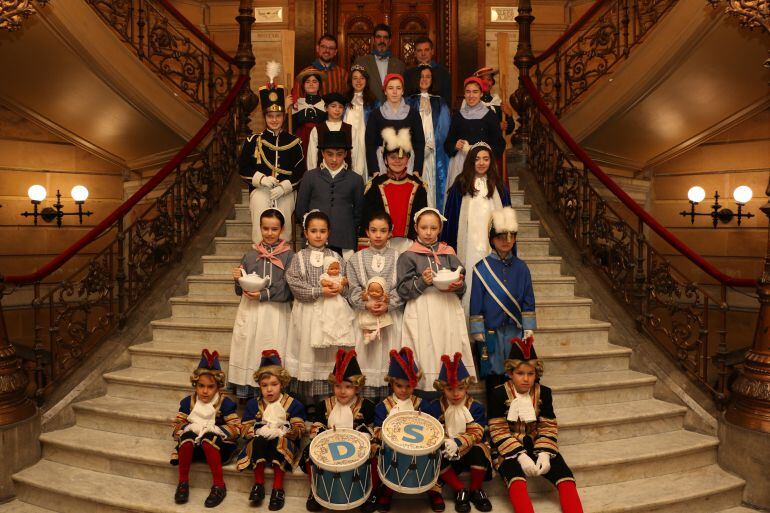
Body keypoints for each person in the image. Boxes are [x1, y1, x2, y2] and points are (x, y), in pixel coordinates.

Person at [487, 338, 584, 513]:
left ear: (536, 373)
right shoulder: (498, 393)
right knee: (516, 480)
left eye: (530, 374)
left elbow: (548, 425)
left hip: (537, 441)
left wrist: (545, 453)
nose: (526, 379)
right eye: (520, 373)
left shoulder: (544, 392)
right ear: (510, 373)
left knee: (565, 477)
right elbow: (497, 429)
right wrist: (520, 456)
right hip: (507, 447)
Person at [396, 207, 476, 385]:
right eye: (424, 228)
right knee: (424, 346)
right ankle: (426, 387)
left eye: (433, 228)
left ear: (439, 229)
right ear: (416, 228)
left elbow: (462, 283)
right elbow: (402, 290)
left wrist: (458, 285)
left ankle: (452, 384)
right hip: (422, 308)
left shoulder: (448, 253)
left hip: (447, 307)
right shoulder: (408, 255)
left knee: (449, 343)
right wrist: (422, 281)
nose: (428, 232)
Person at [228, 209, 294, 399]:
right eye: (265, 228)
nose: (269, 233)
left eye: (274, 229)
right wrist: (238, 279)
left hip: (275, 311)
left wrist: (264, 294)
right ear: (260, 228)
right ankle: (249, 391)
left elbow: (288, 287)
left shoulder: (289, 256)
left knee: (272, 342)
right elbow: (240, 289)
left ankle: (274, 391)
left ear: (281, 229)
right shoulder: (250, 255)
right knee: (249, 345)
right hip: (251, 310)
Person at [470, 207, 535, 398]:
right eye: (500, 236)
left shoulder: (522, 268)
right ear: (491, 239)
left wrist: (529, 327)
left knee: (518, 375)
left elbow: (528, 299)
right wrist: (477, 331)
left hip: (515, 331)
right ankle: (496, 420)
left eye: (510, 236)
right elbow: (476, 303)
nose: (506, 241)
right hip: (492, 333)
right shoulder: (481, 269)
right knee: (494, 377)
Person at [302, 349, 376, 512]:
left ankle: (369, 490)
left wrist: (365, 434)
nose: (342, 391)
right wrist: (319, 433)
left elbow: (372, 429)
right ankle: (315, 488)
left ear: (357, 388)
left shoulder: (367, 406)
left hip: (357, 448)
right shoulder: (324, 405)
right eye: (338, 386)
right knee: (309, 452)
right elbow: (316, 426)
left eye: (348, 387)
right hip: (330, 448)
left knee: (375, 451)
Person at [442, 143, 511, 314]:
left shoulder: (499, 187)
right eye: (477, 159)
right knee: (471, 281)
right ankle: (469, 328)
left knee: (491, 283)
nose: (481, 163)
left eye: (485, 159)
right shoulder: (461, 184)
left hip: (490, 246)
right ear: (470, 161)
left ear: (491, 161)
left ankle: (489, 328)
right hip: (468, 245)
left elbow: (508, 223)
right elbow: (450, 221)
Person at [284, 210, 345, 406]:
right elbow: (294, 283)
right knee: (307, 352)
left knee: (327, 355)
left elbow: (344, 281)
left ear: (329, 233)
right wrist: (319, 291)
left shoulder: (335, 256)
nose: (318, 235)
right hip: (307, 313)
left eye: (322, 231)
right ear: (305, 232)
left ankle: (326, 401)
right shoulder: (299, 257)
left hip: (330, 313)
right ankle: (306, 401)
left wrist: (340, 286)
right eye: (313, 231)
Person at [239, 62, 304, 243]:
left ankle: (282, 258)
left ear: (284, 117)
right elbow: (243, 168)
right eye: (270, 116)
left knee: (283, 221)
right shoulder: (253, 141)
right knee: (260, 203)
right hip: (260, 189)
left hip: (286, 191)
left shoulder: (294, 142)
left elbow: (300, 172)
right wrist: (261, 179)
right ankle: (260, 255)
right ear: (265, 117)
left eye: (278, 116)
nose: (274, 120)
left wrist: (285, 187)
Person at [237, 350, 307, 511]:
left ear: (282, 384)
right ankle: (259, 484)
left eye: (274, 384)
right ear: (259, 386)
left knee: (280, 442)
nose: (269, 390)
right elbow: (244, 427)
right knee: (259, 440)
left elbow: (300, 429)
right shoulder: (253, 404)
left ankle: (278, 488)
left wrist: (283, 430)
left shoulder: (294, 404)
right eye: (264, 385)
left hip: (281, 446)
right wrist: (258, 429)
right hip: (260, 447)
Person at [424, 353, 493, 513]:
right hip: (446, 451)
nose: (456, 394)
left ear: (467, 387)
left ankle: (476, 489)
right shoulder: (434, 406)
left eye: (460, 388)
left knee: (479, 450)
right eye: (450, 389)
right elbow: (432, 431)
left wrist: (458, 442)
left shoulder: (476, 407)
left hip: (469, 449)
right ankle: (460, 489)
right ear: (442, 388)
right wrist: (446, 442)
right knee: (435, 453)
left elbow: (477, 432)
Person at [346, 212, 404, 401]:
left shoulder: (399, 258)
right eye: (373, 230)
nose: (378, 235)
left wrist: (388, 305)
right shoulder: (355, 259)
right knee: (366, 358)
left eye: (383, 230)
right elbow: (351, 289)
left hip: (390, 318)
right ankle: (365, 405)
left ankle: (388, 403)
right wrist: (366, 303)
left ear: (390, 233)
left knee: (388, 357)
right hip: (364, 317)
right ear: (367, 232)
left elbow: (402, 287)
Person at [171, 349, 240, 508]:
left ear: (218, 387)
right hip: (194, 448)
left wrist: (216, 429)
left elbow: (236, 428)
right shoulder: (188, 402)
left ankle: (219, 485)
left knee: (210, 438)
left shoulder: (225, 403)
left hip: (217, 448)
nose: (205, 391)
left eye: (210, 386)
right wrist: (189, 427)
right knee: (187, 437)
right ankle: (183, 483)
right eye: (201, 386)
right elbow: (176, 427)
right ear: (195, 384)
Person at [373, 347, 430, 512]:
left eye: (409, 386)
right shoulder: (382, 407)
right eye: (399, 385)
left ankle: (433, 490)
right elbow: (377, 430)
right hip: (393, 449)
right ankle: (387, 490)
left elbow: (432, 428)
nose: (404, 390)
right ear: (391, 383)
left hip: (419, 449)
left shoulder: (422, 404)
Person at [296, 130, 365, 258]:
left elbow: (358, 214)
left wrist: (346, 227)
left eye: (339, 154)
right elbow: (301, 209)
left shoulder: (355, 179)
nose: (334, 159)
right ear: (322, 153)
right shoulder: (310, 176)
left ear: (345, 154)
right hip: (314, 240)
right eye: (330, 154)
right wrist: (313, 230)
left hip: (345, 241)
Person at [361, 128, 428, 253]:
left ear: (408, 159)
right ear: (385, 159)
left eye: (401, 157)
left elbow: (422, 220)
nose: (397, 161)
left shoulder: (419, 186)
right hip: (380, 245)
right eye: (392, 157)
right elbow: (366, 219)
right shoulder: (375, 185)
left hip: (410, 245)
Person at [444, 77, 505, 202]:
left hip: (483, 167)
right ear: (464, 94)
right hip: (460, 165)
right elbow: (447, 144)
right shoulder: (458, 116)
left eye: (475, 92)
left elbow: (500, 144)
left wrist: (485, 155)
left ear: (481, 93)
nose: (471, 95)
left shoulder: (490, 116)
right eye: (468, 91)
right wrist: (455, 145)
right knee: (460, 201)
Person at [406, 64, 451, 210]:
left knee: (433, 184)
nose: (424, 79)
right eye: (421, 76)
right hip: (412, 151)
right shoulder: (408, 101)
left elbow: (444, 127)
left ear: (433, 80)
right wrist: (416, 146)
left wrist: (431, 144)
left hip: (434, 150)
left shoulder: (440, 101)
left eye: (428, 76)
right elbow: (405, 126)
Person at [364, 74, 425, 176]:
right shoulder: (375, 114)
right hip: (382, 166)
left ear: (403, 91)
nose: (395, 92)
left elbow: (419, 143)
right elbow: (370, 145)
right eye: (391, 88)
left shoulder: (413, 114)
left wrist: (417, 169)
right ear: (385, 91)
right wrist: (374, 169)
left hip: (408, 164)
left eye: (398, 88)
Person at [354, 24, 406, 104]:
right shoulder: (361, 62)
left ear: (389, 41)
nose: (382, 41)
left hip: (392, 111)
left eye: (385, 38)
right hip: (368, 109)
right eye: (378, 37)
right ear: (374, 40)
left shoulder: (400, 65)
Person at [344, 64, 377, 181]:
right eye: (355, 78)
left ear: (366, 80)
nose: (358, 81)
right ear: (350, 81)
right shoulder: (344, 100)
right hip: (348, 141)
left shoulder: (373, 102)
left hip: (365, 142)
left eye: (362, 78)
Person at [306, 92, 353, 170]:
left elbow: (356, 155)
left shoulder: (350, 129)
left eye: (340, 107)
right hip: (322, 176)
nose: (337, 110)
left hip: (346, 176)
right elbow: (312, 155)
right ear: (326, 108)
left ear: (344, 109)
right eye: (333, 106)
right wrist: (313, 176)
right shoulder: (317, 130)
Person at [317, 255, 355, 347]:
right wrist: (328, 283)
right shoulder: (325, 276)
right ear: (326, 269)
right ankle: (329, 337)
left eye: (337, 268)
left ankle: (340, 335)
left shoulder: (339, 276)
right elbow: (322, 282)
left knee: (341, 315)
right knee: (329, 316)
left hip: (338, 299)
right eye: (332, 269)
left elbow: (344, 281)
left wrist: (344, 282)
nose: (335, 271)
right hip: (329, 300)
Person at [404, 36, 452, 106]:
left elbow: (447, 101)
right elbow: (405, 101)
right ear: (415, 53)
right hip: (413, 114)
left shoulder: (443, 73)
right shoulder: (408, 74)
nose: (423, 54)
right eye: (419, 50)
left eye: (426, 50)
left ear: (432, 51)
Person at [292, 68, 326, 158]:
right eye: (307, 81)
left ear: (319, 85)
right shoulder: (297, 104)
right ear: (303, 85)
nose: (311, 84)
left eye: (314, 81)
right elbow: (291, 126)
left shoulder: (325, 104)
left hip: (320, 141)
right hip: (301, 141)